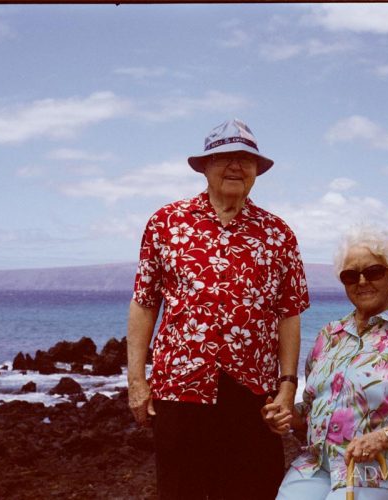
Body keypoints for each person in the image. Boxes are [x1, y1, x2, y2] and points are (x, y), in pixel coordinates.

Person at [127, 118, 310, 500]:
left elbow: (289, 313)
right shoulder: (166, 224)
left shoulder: (278, 234)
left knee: (253, 492)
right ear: (204, 166)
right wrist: (136, 381)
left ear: (257, 171)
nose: (235, 166)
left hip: (253, 394)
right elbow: (144, 303)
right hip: (179, 388)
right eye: (223, 157)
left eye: (245, 159)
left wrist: (287, 386)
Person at [263, 224, 388, 500]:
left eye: (373, 272)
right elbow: (313, 408)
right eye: (351, 275)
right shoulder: (329, 335)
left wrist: (381, 438)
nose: (362, 281)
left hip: (383, 470)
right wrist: (285, 415)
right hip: (318, 465)